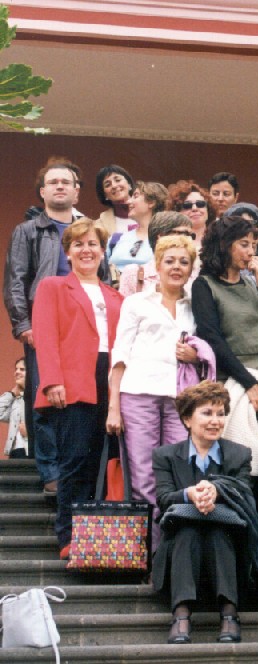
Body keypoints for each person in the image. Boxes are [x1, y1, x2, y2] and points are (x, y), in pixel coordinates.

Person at [32, 218, 124, 559]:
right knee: (75, 460)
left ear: (102, 251)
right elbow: (45, 335)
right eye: (78, 244)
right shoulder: (53, 287)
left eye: (93, 244)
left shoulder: (116, 296)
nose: (86, 250)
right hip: (73, 381)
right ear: (67, 252)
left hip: (110, 381)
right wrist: (52, 379)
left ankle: (98, 536)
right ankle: (69, 535)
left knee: (105, 460)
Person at [107, 235, 200, 547]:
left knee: (178, 473)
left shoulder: (195, 304)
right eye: (169, 261)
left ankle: (175, 553)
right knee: (144, 476)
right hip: (138, 394)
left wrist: (195, 355)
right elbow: (120, 354)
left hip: (180, 398)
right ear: (157, 266)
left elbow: (205, 346)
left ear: (191, 268)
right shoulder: (136, 302)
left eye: (183, 262)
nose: (176, 267)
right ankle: (152, 553)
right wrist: (113, 407)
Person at [3, 158, 89, 496]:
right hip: (42, 323)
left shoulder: (87, 231)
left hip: (82, 325)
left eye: (66, 182)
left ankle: (76, 469)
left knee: (81, 396)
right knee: (43, 396)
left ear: (76, 192)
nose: (59, 186)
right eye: (53, 182)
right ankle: (51, 471)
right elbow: (15, 281)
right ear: (42, 192)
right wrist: (23, 324)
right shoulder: (27, 231)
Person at [151, 381, 258, 646]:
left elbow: (244, 491)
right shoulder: (165, 456)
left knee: (218, 531)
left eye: (220, 414)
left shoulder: (239, 454)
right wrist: (190, 494)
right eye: (207, 413)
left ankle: (229, 613)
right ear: (187, 419)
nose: (215, 421)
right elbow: (164, 498)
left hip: (227, 547)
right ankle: (181, 614)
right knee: (187, 530)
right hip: (181, 548)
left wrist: (216, 491)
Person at [192, 214, 258, 415]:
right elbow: (212, 339)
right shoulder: (204, 285)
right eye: (244, 244)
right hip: (232, 379)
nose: (251, 252)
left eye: (254, 245)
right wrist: (249, 383)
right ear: (224, 245)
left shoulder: (251, 283)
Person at [118, 211, 199, 297]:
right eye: (183, 234)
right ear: (161, 236)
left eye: (191, 236)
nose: (189, 239)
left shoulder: (198, 273)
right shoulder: (134, 273)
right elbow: (123, 304)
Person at [108, 181, 168, 271]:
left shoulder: (166, 240)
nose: (128, 201)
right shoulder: (116, 239)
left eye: (135, 196)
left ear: (151, 202)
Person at [168, 180, 214, 249]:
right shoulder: (169, 242)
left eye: (200, 204)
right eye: (187, 205)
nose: (195, 208)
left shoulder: (220, 238)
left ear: (208, 209)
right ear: (177, 211)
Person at [93, 164, 135, 237]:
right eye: (107, 185)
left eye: (118, 180)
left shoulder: (150, 211)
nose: (114, 186)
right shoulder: (99, 225)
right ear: (105, 195)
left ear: (129, 184)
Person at [0, 358, 28, 459]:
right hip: (15, 451)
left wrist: (31, 433)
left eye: (22, 369)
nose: (17, 372)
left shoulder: (39, 397)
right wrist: (12, 393)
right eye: (16, 369)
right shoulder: (15, 399)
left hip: (31, 450)